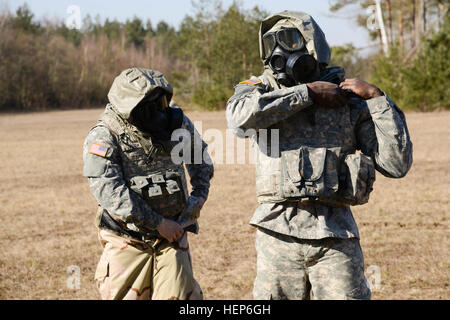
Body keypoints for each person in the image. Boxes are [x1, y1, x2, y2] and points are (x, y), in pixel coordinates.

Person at [226, 11, 413, 300]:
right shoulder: (262, 92)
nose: (279, 52)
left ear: (313, 47)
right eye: (271, 43)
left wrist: (377, 100)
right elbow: (238, 119)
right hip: (278, 235)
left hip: (336, 237)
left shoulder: (347, 100)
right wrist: (307, 94)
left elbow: (396, 164)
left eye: (289, 41)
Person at [82, 67, 214, 300]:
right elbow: (110, 191)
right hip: (127, 238)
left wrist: (199, 196)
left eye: (162, 102)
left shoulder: (176, 123)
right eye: (149, 107)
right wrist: (158, 222)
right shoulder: (105, 135)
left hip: (172, 236)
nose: (159, 112)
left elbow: (200, 158)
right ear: (129, 109)